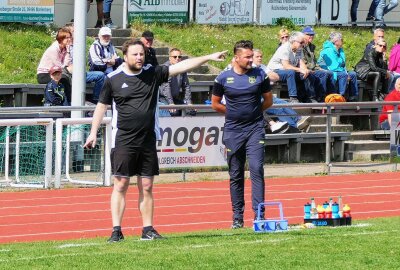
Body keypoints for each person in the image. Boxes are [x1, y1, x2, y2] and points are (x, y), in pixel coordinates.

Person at [83, 39, 226, 242]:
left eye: (141, 54)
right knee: (121, 183)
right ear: (125, 56)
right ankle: (116, 230)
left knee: (148, 186)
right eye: (135, 54)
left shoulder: (153, 73)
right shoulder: (113, 79)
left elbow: (181, 66)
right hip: (123, 139)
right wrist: (93, 132)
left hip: (148, 139)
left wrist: (208, 58)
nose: (139, 57)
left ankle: (147, 229)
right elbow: (101, 106)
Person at [211, 40, 273, 229]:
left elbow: (268, 100)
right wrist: (234, 114)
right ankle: (237, 217)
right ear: (236, 58)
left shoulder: (260, 75)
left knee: (256, 169)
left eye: (252, 56)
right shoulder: (222, 78)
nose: (251, 60)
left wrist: (253, 113)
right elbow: (215, 104)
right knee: (236, 174)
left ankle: (259, 215)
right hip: (233, 131)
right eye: (247, 57)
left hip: (255, 129)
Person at [267, 31, 318, 103]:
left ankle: (310, 97)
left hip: (289, 70)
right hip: (276, 71)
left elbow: (301, 62)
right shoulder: (285, 48)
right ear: (293, 41)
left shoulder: (299, 49)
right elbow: (286, 66)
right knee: (290, 72)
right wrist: (300, 70)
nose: (303, 44)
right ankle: (293, 97)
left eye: (303, 42)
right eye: (301, 42)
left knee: (308, 74)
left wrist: (305, 70)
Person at [64, 24, 105, 104]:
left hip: (81, 73)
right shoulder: (66, 46)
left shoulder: (78, 45)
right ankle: (96, 101)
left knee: (101, 75)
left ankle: (96, 99)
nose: (76, 33)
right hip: (70, 74)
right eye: (73, 31)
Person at [318, 32, 359, 101]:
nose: (343, 41)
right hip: (329, 71)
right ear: (336, 41)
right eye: (341, 39)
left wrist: (346, 72)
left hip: (339, 70)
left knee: (353, 74)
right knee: (343, 75)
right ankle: (340, 97)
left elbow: (343, 64)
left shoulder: (340, 50)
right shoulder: (328, 50)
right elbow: (333, 67)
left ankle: (353, 97)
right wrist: (345, 73)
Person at [37, 27, 72, 102]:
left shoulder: (64, 49)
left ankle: (68, 101)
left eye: (70, 37)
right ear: (61, 39)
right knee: (64, 79)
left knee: (67, 78)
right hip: (44, 75)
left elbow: (66, 64)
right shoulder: (53, 49)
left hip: (57, 73)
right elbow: (59, 66)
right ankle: (69, 102)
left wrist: (68, 52)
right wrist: (67, 68)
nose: (69, 39)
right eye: (67, 38)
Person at [159, 48, 196, 116]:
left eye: (179, 57)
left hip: (174, 98)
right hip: (163, 98)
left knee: (191, 111)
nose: (177, 58)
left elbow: (186, 86)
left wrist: (189, 102)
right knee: (174, 112)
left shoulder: (182, 68)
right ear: (170, 58)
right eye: (175, 57)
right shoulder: (165, 68)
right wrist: (171, 103)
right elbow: (166, 87)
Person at [302, 26, 333, 102]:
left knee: (329, 73)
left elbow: (314, 62)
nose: (311, 36)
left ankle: (330, 96)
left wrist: (319, 68)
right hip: (304, 69)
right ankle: (320, 97)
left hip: (312, 68)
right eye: (309, 34)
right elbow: (303, 62)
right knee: (323, 74)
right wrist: (314, 68)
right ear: (303, 35)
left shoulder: (311, 46)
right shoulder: (301, 46)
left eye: (312, 34)